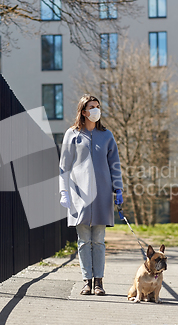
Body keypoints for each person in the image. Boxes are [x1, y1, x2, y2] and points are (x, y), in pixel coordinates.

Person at [59, 94, 123, 296]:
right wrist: (63, 191)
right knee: (84, 240)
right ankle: (86, 281)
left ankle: (99, 282)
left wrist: (118, 188)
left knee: (99, 240)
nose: (96, 110)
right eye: (92, 107)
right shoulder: (72, 134)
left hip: (102, 195)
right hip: (79, 196)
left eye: (97, 106)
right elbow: (64, 166)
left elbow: (115, 164)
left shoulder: (107, 135)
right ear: (83, 111)